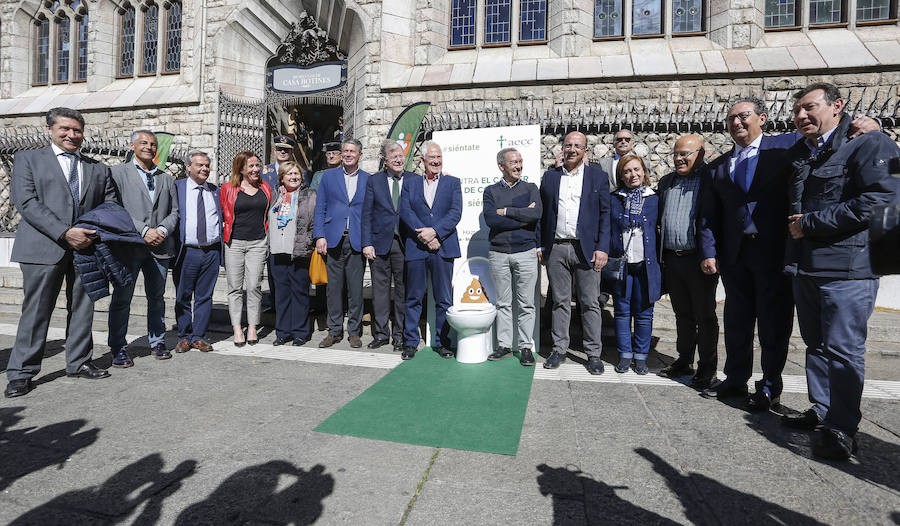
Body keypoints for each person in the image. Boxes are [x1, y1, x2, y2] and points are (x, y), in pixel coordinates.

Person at [781, 82, 898, 460]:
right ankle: (821, 409)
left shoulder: (869, 143)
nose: (801, 116)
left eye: (810, 107)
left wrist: (812, 223)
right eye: (797, 110)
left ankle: (842, 428)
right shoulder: (804, 151)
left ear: (837, 106)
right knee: (815, 346)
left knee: (844, 352)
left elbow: (882, 199)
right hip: (808, 267)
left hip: (849, 270)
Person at [5, 107, 118, 398]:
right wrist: (65, 233)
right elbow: (27, 202)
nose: (71, 135)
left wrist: (91, 233)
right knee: (37, 310)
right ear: (49, 129)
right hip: (44, 247)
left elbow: (110, 205)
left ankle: (79, 361)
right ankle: (22, 372)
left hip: (87, 248)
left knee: (83, 307)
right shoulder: (28, 159)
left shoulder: (97, 168)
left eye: (77, 130)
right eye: (65, 129)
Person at [537, 131, 611, 374]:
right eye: (568, 145)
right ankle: (559, 349)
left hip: (586, 249)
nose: (572, 149)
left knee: (590, 303)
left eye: (577, 146)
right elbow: (543, 214)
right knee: (559, 302)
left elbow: (605, 215)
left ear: (585, 151)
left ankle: (593, 353)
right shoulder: (549, 177)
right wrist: (540, 245)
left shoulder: (597, 177)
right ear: (562, 149)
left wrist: (602, 248)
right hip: (557, 248)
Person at [108, 130, 179, 365]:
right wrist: (143, 230)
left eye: (152, 144)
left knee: (157, 298)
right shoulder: (118, 173)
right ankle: (118, 346)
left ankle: (157, 341)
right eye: (144, 143)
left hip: (160, 247)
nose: (149, 147)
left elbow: (175, 211)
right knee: (122, 298)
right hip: (129, 247)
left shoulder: (166, 178)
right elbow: (114, 207)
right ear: (132, 145)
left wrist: (162, 230)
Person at [655, 135, 719, 390]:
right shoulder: (666, 182)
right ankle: (684, 359)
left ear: (701, 154)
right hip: (672, 258)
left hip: (699, 260)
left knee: (704, 316)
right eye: (676, 154)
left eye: (686, 154)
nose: (679, 158)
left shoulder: (710, 181)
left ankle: (707, 368)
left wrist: (711, 253)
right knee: (682, 314)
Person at [398, 141, 462, 360]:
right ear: (422, 160)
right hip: (417, 248)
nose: (436, 161)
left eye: (439, 157)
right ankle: (410, 342)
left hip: (443, 247)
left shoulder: (453, 182)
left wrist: (435, 232)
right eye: (432, 158)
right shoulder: (410, 183)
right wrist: (423, 236)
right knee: (413, 297)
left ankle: (443, 343)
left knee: (444, 298)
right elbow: (405, 211)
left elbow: (455, 213)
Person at [483, 147, 542, 367]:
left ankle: (526, 347)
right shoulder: (490, 191)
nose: (518, 166)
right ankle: (504, 346)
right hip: (498, 253)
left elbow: (535, 215)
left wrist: (506, 211)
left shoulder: (530, 188)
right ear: (502, 166)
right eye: (513, 162)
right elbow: (491, 220)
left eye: (520, 161)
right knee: (504, 304)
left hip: (526, 252)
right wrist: (522, 216)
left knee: (527, 304)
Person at [314, 138, 371, 348]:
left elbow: (370, 213)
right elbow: (320, 208)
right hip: (333, 239)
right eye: (345, 151)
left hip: (356, 240)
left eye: (352, 151)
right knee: (333, 289)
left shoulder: (368, 179)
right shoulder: (328, 177)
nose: (347, 154)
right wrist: (319, 236)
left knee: (355, 289)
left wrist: (368, 241)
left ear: (360, 155)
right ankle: (334, 330)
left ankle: (354, 332)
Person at [609, 155, 661, 375]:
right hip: (622, 264)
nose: (633, 175)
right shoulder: (615, 199)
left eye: (637, 170)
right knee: (621, 311)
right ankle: (624, 355)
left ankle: (641, 356)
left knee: (644, 312)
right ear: (621, 175)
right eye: (627, 171)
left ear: (644, 171)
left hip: (646, 265)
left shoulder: (654, 198)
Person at [361, 140, 414, 351]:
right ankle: (382, 334)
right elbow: (366, 214)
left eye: (401, 156)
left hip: (405, 243)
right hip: (379, 244)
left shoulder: (414, 179)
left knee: (403, 291)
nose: (400, 160)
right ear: (384, 160)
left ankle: (399, 336)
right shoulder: (374, 181)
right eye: (394, 157)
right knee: (380, 292)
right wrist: (367, 243)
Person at [220, 150, 272, 346]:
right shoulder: (228, 188)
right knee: (234, 287)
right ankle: (236, 328)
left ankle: (252, 326)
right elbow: (223, 214)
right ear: (240, 169)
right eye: (251, 166)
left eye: (257, 165)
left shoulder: (265, 188)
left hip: (258, 243)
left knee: (254, 286)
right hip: (234, 243)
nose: (256, 169)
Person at [173, 151, 222, 353]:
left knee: (205, 296)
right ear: (188, 167)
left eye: (207, 166)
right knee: (183, 296)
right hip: (187, 252)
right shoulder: (177, 188)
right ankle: (184, 335)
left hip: (211, 251)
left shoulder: (215, 191)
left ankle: (199, 336)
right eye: (199, 165)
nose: (204, 169)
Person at [268, 161, 316, 346]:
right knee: (281, 294)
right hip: (277, 251)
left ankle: (300, 332)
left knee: (299, 293)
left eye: (296, 174)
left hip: (299, 251)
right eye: (289, 174)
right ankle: (283, 332)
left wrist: (310, 241)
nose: (294, 177)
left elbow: (314, 222)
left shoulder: (310, 195)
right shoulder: (274, 195)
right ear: (282, 177)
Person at [262, 134, 300, 312]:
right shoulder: (264, 172)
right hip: (268, 224)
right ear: (274, 150)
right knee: (273, 268)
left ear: (292, 152)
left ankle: (288, 304)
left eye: (286, 150)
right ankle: (274, 301)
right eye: (279, 149)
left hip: (289, 226)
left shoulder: (300, 172)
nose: (282, 152)